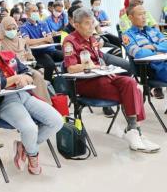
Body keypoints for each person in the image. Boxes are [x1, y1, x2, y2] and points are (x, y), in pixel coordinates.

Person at [63, 8, 160, 153]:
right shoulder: (69, 41)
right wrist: (88, 65)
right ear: (76, 25)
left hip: (103, 76)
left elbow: (99, 59)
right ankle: (136, 132)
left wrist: (105, 67)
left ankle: (134, 130)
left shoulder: (92, 39)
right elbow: (71, 68)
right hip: (85, 83)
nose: (91, 26)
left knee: (131, 83)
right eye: (87, 23)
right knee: (134, 93)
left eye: (92, 23)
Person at [0, 27, 64, 175]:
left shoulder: (9, 55)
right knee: (30, 129)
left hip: (24, 95)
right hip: (3, 101)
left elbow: (25, 70)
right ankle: (32, 155)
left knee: (57, 120)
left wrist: (26, 77)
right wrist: (14, 78)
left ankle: (24, 146)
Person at [0, 16, 52, 104]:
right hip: (11, 71)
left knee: (38, 74)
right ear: (3, 30)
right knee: (36, 74)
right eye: (8, 29)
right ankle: (38, 103)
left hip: (26, 68)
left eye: (14, 28)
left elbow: (32, 59)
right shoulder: (0, 44)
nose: (12, 31)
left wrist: (30, 57)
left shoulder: (22, 41)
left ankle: (44, 103)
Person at [123, 4, 167, 97]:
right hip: (153, 69)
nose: (144, 17)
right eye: (140, 14)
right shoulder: (128, 35)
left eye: (144, 14)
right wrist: (157, 52)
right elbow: (138, 53)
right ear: (130, 17)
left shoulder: (153, 30)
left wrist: (153, 47)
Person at [20, 4, 63, 82]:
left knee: (66, 56)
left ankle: (66, 81)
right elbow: (28, 42)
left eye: (37, 11)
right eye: (33, 11)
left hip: (50, 50)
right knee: (49, 64)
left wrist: (37, 42)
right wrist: (44, 39)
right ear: (27, 13)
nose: (36, 13)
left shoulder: (43, 23)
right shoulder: (24, 27)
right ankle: (48, 84)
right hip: (38, 53)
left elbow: (50, 39)